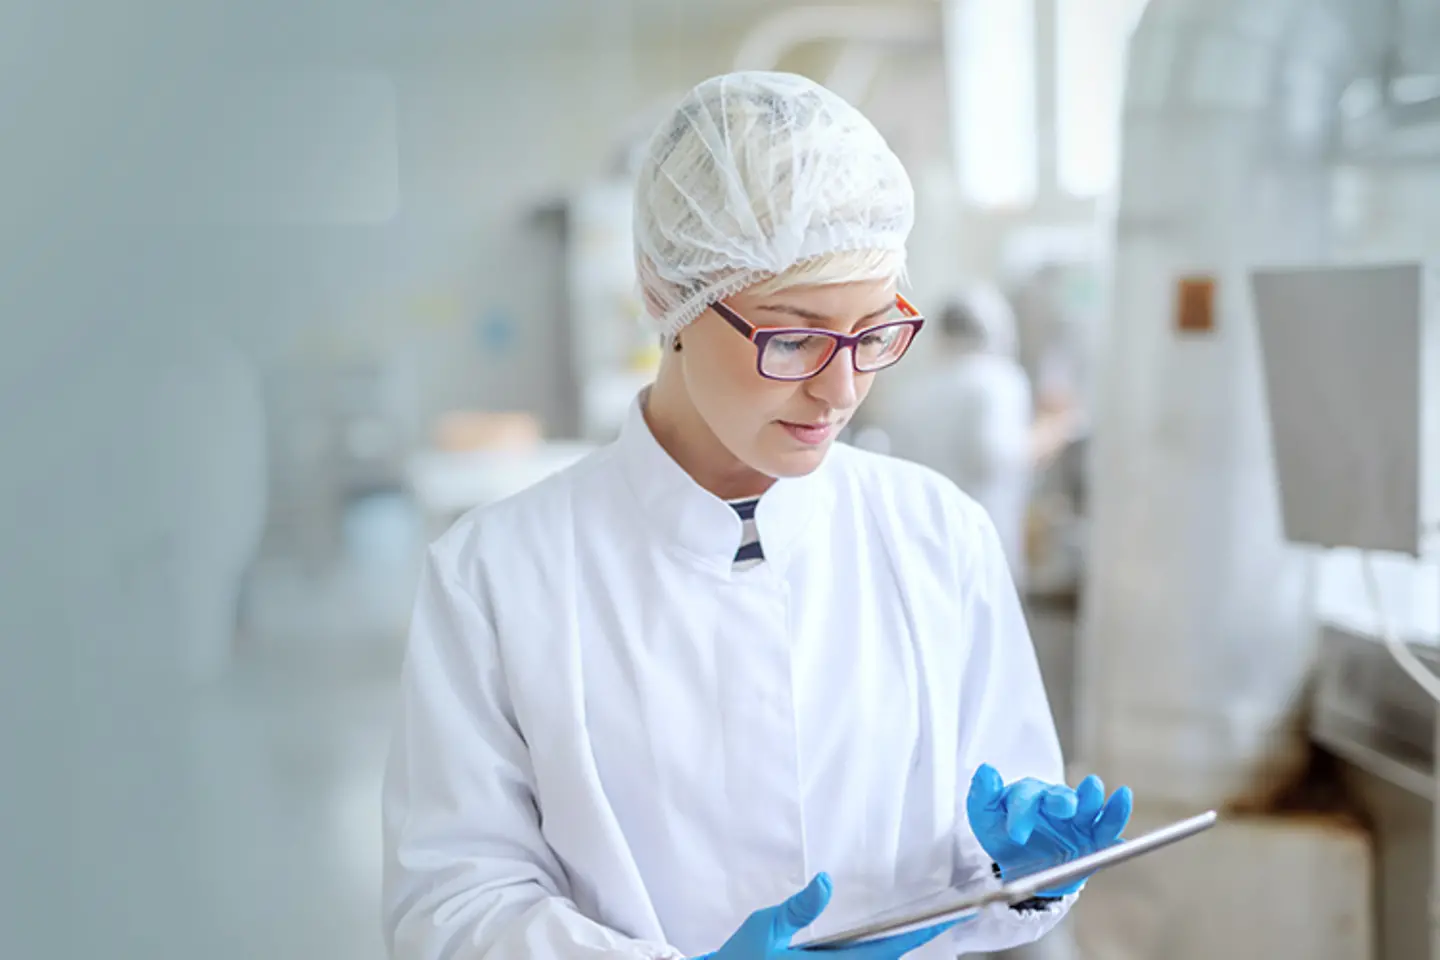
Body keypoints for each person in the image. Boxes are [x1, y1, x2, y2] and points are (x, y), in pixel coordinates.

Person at [381, 71, 1132, 960]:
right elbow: (452, 909)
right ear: (672, 298)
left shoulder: (937, 535)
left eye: (874, 330)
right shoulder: (496, 579)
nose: (842, 385)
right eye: (796, 336)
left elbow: (988, 869)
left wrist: (1023, 871)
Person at [875, 287, 1036, 585]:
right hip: (985, 546)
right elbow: (998, 457)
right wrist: (1054, 431)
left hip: (920, 548)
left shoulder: (916, 390)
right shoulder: (998, 381)